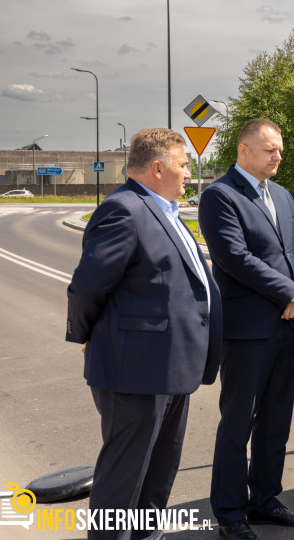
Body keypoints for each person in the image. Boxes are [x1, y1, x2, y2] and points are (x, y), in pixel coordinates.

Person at [66, 128, 222, 540]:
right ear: (158, 168)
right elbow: (87, 287)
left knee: (156, 479)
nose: (189, 173)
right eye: (184, 164)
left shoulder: (166, 210)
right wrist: (90, 337)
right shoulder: (123, 210)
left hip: (172, 367)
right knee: (122, 485)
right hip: (134, 369)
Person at [200, 119, 294, 540]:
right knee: (238, 423)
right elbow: (234, 257)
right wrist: (288, 292)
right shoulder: (220, 195)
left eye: (280, 149)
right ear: (243, 150)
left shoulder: (281, 195)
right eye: (269, 149)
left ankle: (265, 499)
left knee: (276, 421)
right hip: (248, 330)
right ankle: (230, 513)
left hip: (286, 325)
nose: (278, 156)